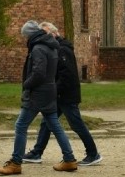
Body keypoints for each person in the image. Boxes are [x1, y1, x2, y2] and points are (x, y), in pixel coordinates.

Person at [0, 21, 78, 175]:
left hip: (37, 93)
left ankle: (15, 162)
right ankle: (69, 159)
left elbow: (38, 73)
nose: (24, 39)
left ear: (29, 35)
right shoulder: (51, 46)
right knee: (55, 125)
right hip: (50, 91)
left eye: (24, 35)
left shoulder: (38, 48)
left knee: (21, 125)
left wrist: (27, 84)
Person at [22, 22, 101, 166]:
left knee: (76, 124)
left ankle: (93, 153)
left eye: (45, 34)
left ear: (53, 33)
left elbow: (67, 75)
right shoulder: (57, 48)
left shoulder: (63, 50)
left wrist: (54, 89)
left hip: (66, 95)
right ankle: (37, 152)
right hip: (58, 95)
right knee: (46, 123)